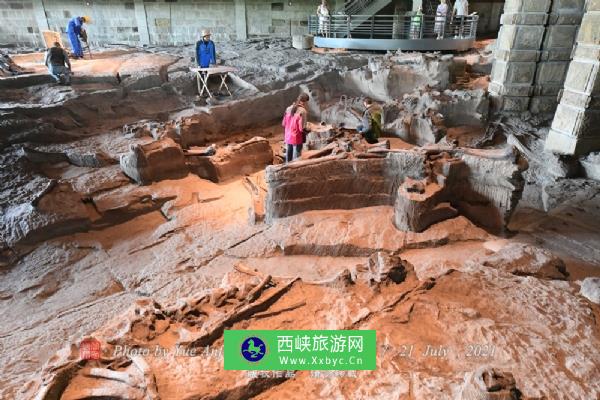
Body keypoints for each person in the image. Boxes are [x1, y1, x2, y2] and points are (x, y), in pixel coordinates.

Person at [282, 93, 309, 162]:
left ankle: (286, 169)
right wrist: (309, 130)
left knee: (289, 154)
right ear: (305, 102)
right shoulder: (303, 111)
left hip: (288, 136)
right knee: (296, 158)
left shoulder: (288, 108)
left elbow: (283, 123)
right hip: (297, 137)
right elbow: (302, 128)